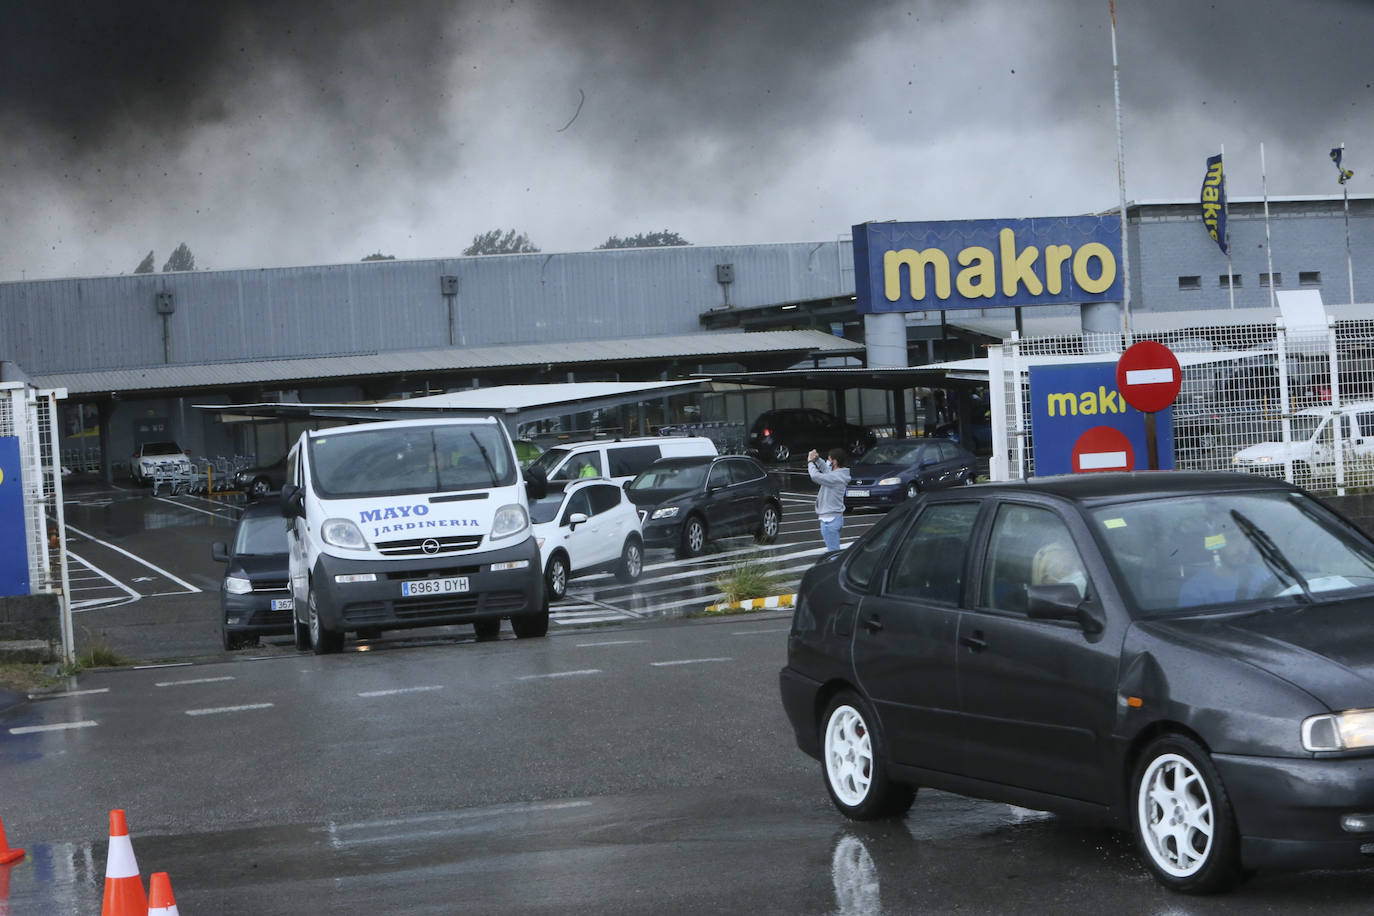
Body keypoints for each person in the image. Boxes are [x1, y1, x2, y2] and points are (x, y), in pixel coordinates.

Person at [1178, 530, 1274, 606]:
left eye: (1246, 538)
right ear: (1217, 544)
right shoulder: (1195, 590)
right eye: (1233, 538)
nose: (1242, 547)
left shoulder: (1260, 575)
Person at [807, 447, 850, 551]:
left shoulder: (835, 478)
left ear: (834, 462)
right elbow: (826, 470)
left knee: (833, 553)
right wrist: (817, 459)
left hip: (830, 520)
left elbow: (815, 476)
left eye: (829, 460)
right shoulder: (839, 474)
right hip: (832, 518)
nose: (827, 462)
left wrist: (810, 462)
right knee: (833, 551)